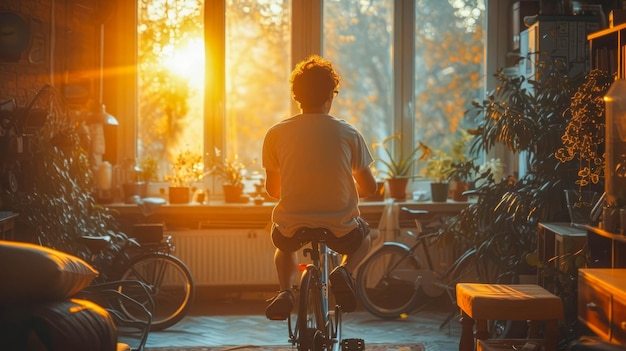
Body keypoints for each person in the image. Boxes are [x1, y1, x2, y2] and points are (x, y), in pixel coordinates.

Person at [262, 55, 378, 320]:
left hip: (293, 225)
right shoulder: (348, 133)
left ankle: (284, 292)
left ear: (296, 96)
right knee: (366, 234)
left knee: (284, 242)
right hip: (341, 228)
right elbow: (369, 188)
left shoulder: (276, 133)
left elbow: (272, 190)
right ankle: (346, 272)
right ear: (330, 94)